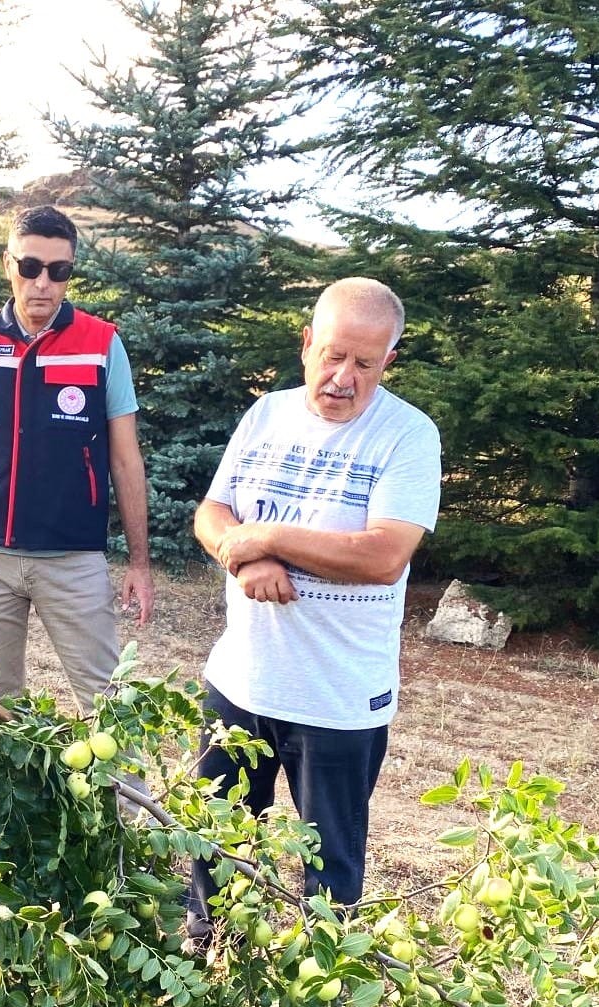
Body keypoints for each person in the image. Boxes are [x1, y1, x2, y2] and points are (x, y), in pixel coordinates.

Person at [187, 277, 441, 926]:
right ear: (306, 345)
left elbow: (383, 555)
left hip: (338, 701)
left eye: (363, 362)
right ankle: (203, 967)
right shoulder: (266, 414)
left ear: (389, 361)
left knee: (329, 882)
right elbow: (213, 513)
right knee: (214, 856)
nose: (342, 377)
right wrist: (245, 555)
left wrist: (267, 536)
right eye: (332, 355)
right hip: (239, 683)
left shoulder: (408, 437)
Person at [0, 205, 154, 715]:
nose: (43, 282)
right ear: (9, 264)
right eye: (30, 267)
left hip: (73, 558)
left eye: (58, 271)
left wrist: (139, 563)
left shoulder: (101, 344)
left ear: (69, 274)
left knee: (110, 707)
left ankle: (128, 801)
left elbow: (127, 460)